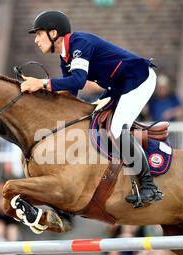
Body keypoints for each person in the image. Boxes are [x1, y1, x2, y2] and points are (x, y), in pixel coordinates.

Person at [21, 10, 162, 206]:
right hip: (120, 85)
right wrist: (41, 99)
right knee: (92, 119)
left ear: (53, 33)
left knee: (116, 128)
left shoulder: (79, 43)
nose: (36, 40)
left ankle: (149, 187)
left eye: (38, 34)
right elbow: (71, 92)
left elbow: (78, 80)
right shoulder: (65, 56)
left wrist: (42, 84)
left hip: (139, 79)